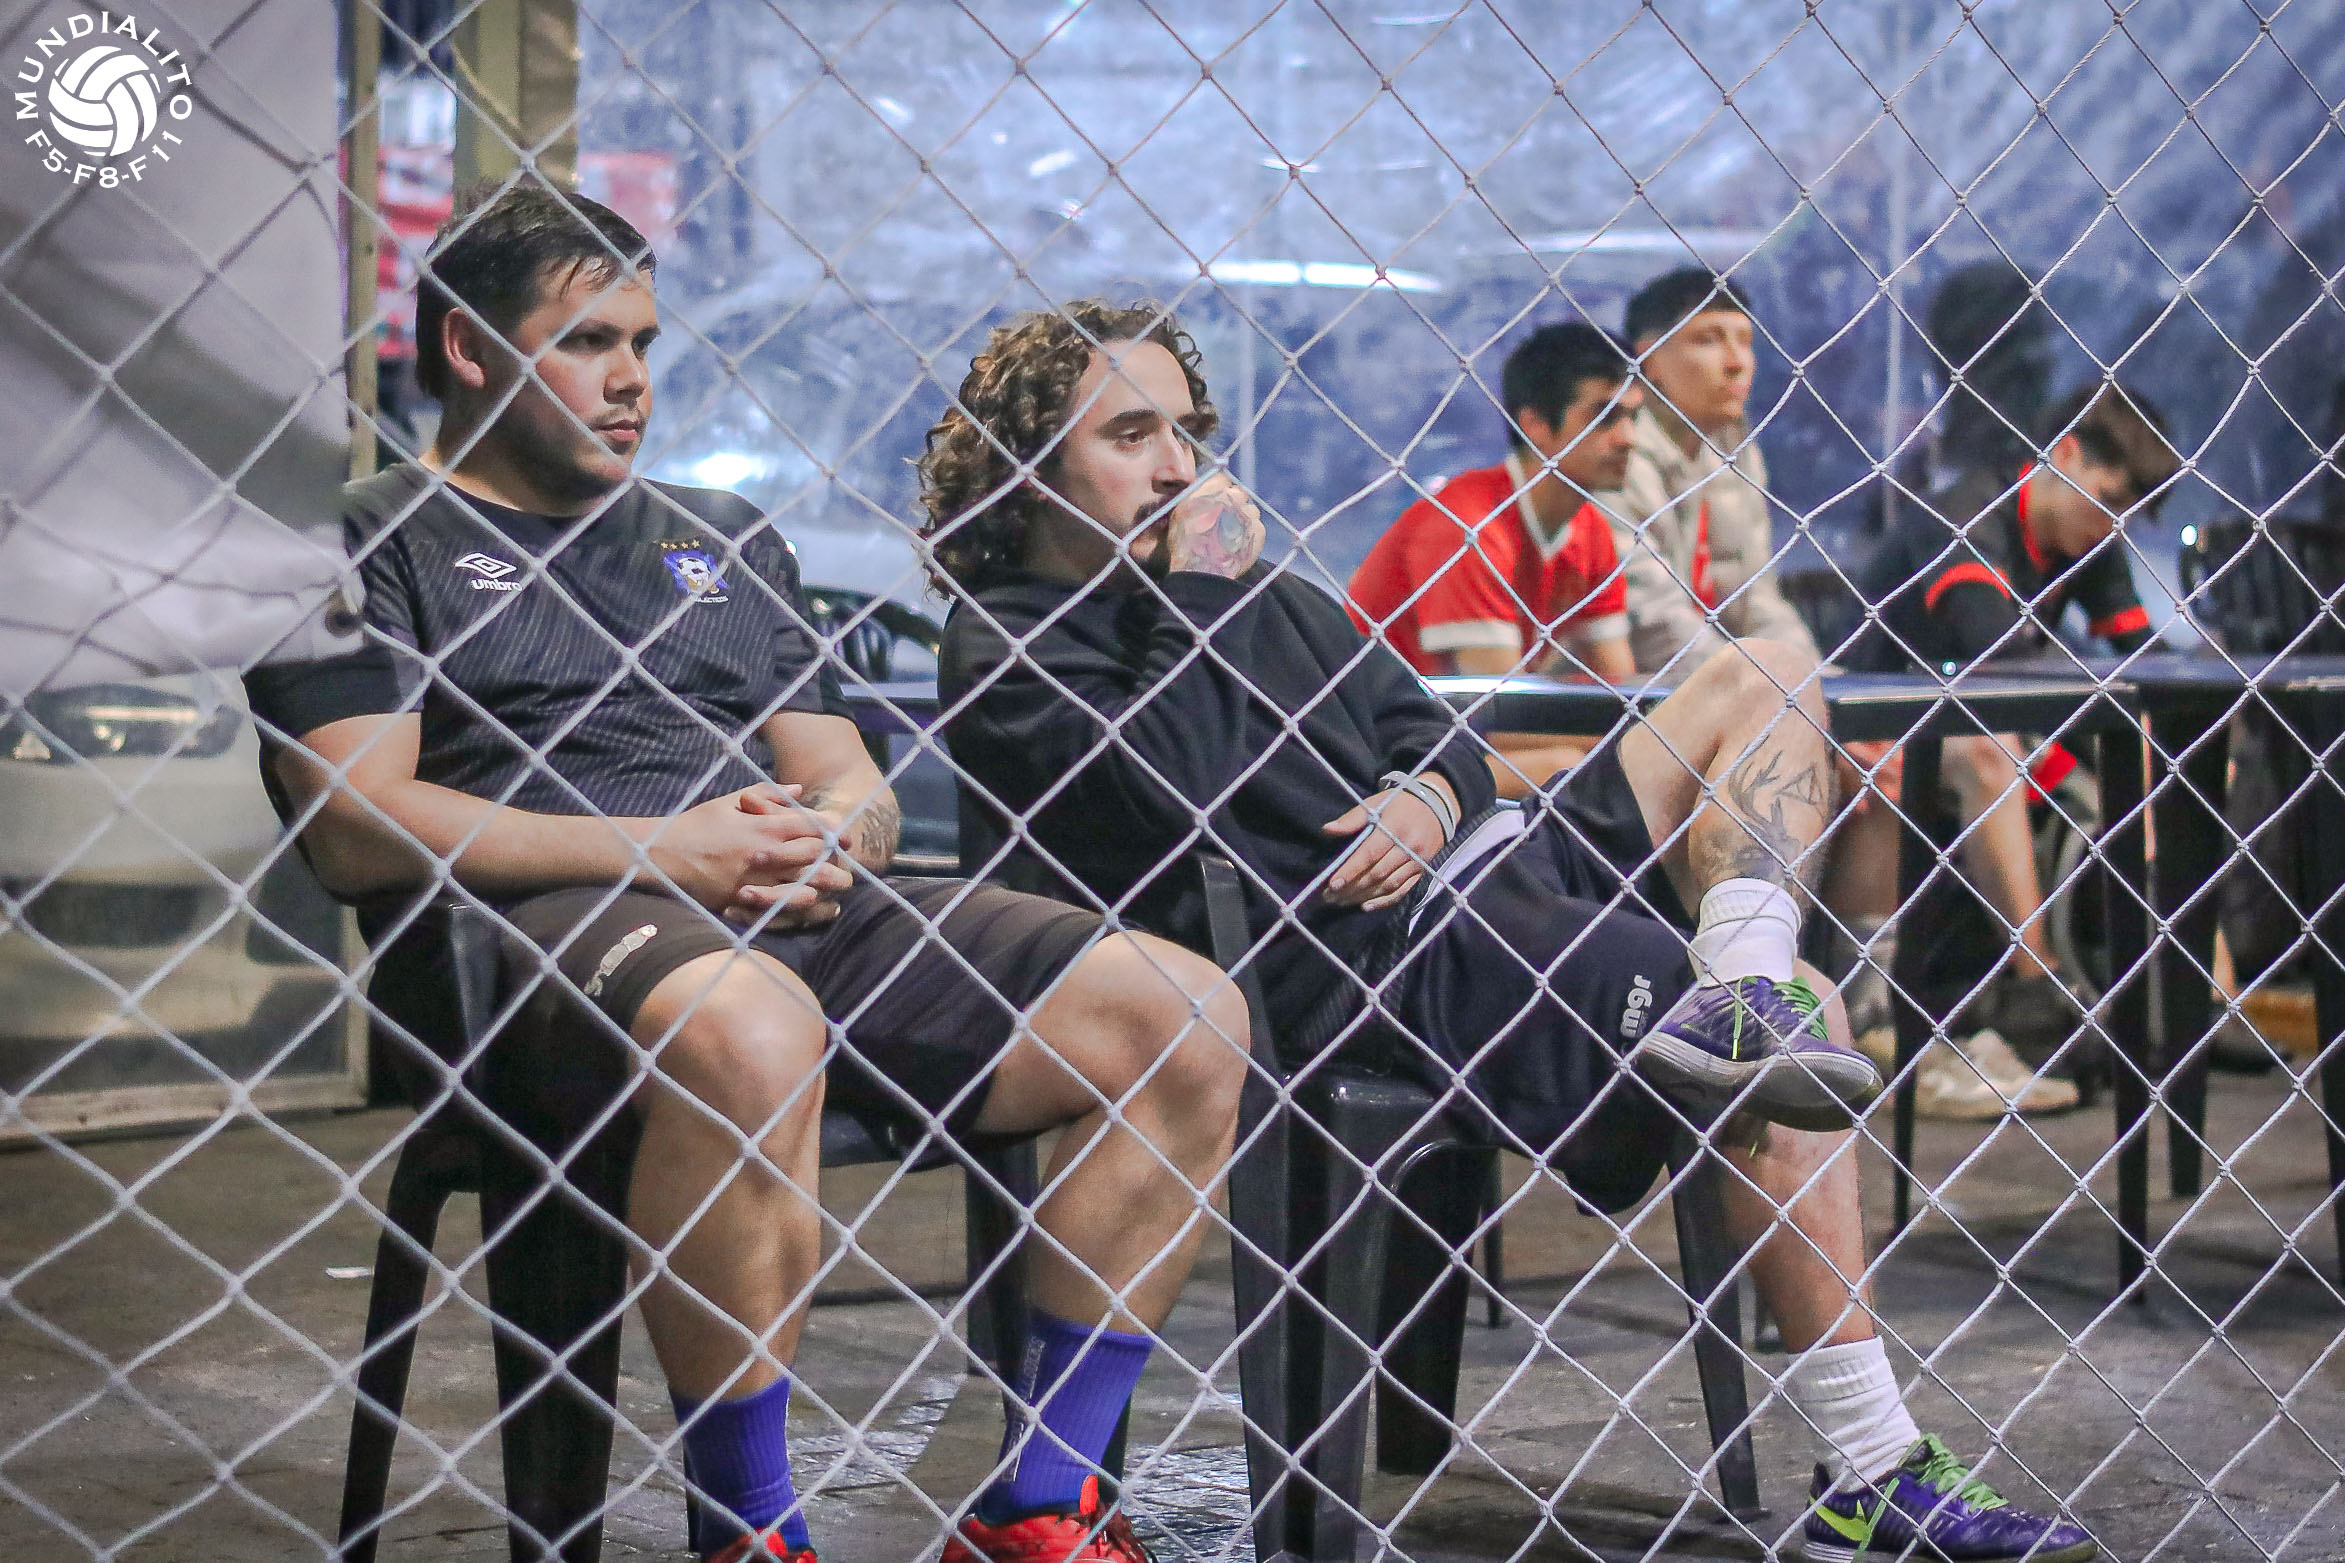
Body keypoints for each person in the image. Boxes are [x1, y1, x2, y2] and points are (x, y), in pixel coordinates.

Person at [923, 299, 2099, 1563]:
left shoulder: (1260, 590)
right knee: (1795, 1033)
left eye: (1185, 432)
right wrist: (1199, 595)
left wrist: (1430, 797)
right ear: (1027, 465)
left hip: (1483, 860)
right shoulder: (1009, 637)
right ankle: (1870, 1468)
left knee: (1763, 672)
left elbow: (1429, 730)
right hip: (1376, 951)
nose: (1177, 467)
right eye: (1131, 435)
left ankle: (1741, 977)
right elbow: (1173, 786)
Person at [245, 188, 1249, 1563]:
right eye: (587, 342)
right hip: (523, 938)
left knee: (1181, 1013)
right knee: (753, 1024)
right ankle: (748, 1529)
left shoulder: (719, 534)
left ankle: (1044, 1501)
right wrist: (670, 851)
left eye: (643, 343)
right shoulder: (356, 541)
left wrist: (833, 831)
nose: (630, 380)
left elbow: (846, 772)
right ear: (468, 348)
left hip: (775, 905)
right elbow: (358, 824)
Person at [1845, 381, 2179, 1072]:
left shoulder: (2084, 533)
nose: (2114, 525)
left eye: (2127, 514)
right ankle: (2037, 989)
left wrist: (2173, 741)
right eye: (2109, 500)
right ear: (2065, 454)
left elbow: (2144, 659)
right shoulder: (1968, 518)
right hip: (1879, 720)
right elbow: (1995, 664)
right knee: (1991, 748)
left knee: (2168, 746)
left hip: (1984, 719)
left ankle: (2200, 996)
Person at [1345, 321, 1636, 794]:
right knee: (1573, 766)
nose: (1628, 437)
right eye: (1604, 416)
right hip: (1376, 752)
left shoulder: (1592, 531)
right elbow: (1498, 721)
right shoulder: (1468, 527)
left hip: (1455, 741)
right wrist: (1644, 742)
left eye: (1633, 417)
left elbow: (1616, 690)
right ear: (1535, 424)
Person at [1612, 268, 1819, 676]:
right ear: (1649, 360)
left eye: (1746, 342)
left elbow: (1758, 603)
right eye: (1708, 339)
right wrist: (1766, 691)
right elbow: (1655, 624)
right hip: (1630, 692)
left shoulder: (1736, 452)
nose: (1736, 363)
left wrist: (1817, 681)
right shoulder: (1616, 455)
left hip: (1725, 681)